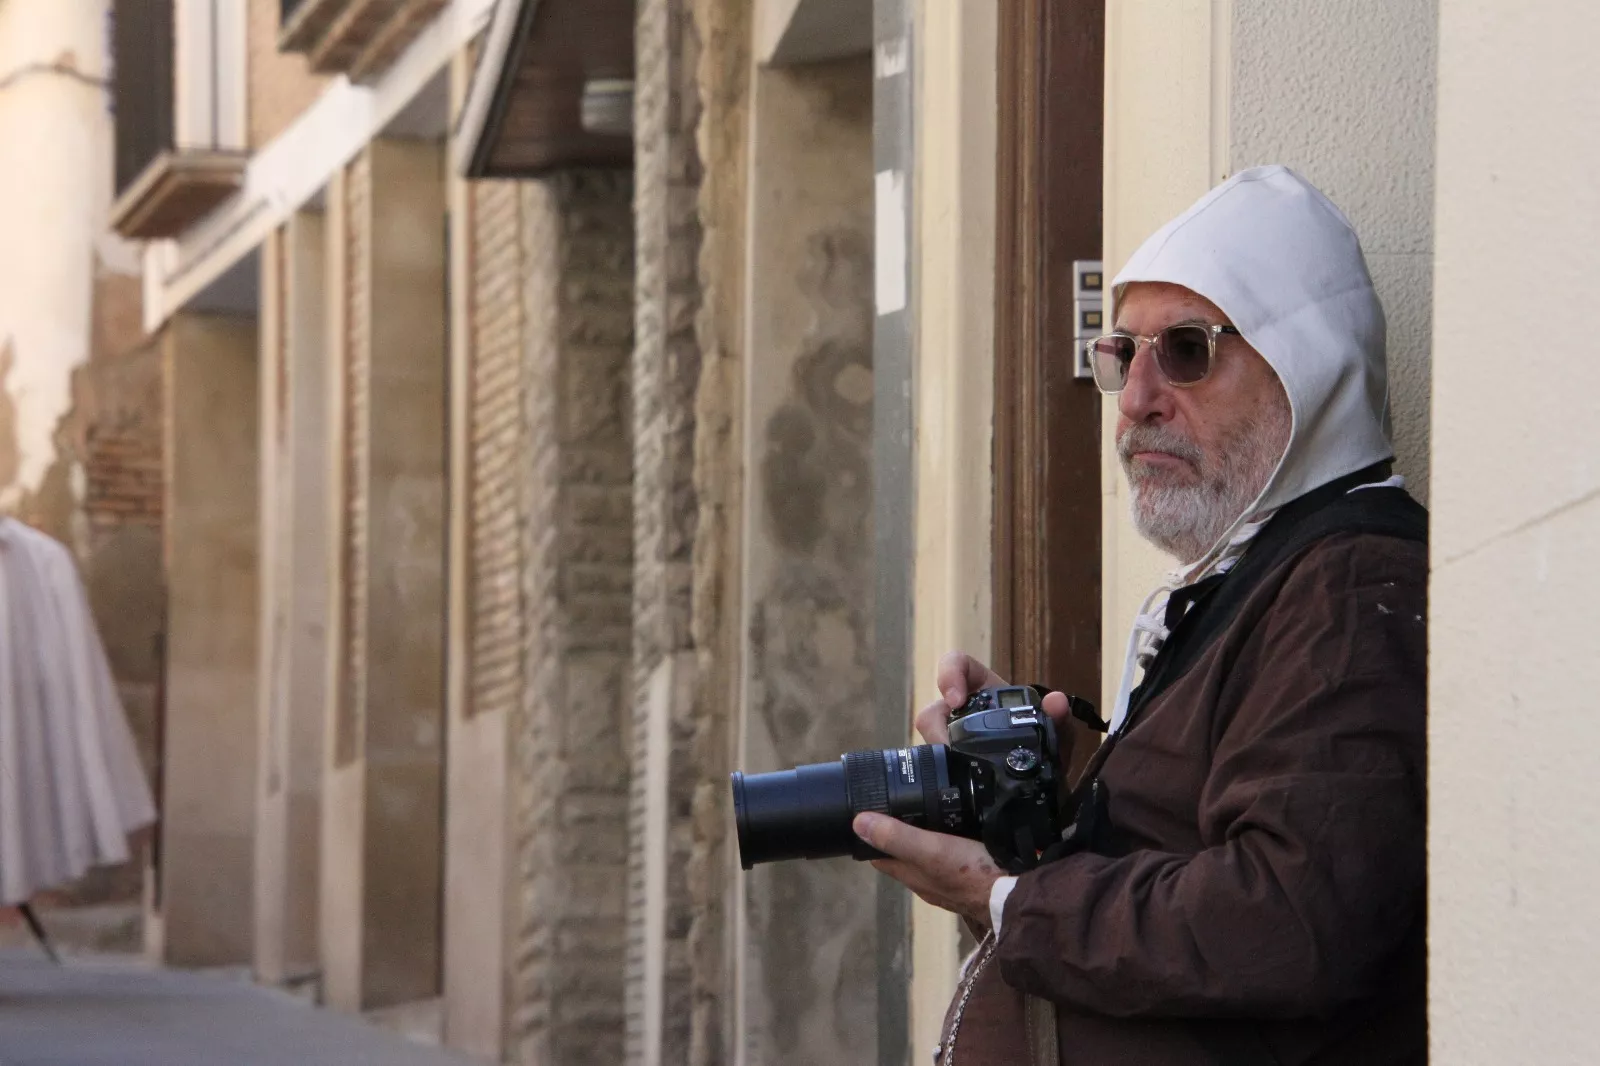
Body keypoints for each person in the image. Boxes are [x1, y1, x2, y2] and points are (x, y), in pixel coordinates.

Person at [853, 166, 1427, 1065]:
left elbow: (1286, 921)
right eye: (1123, 354)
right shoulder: (1257, 576)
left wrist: (1002, 897)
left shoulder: (1351, 588)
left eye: (1188, 352)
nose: (1137, 400)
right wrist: (1033, 801)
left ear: (1307, 367)